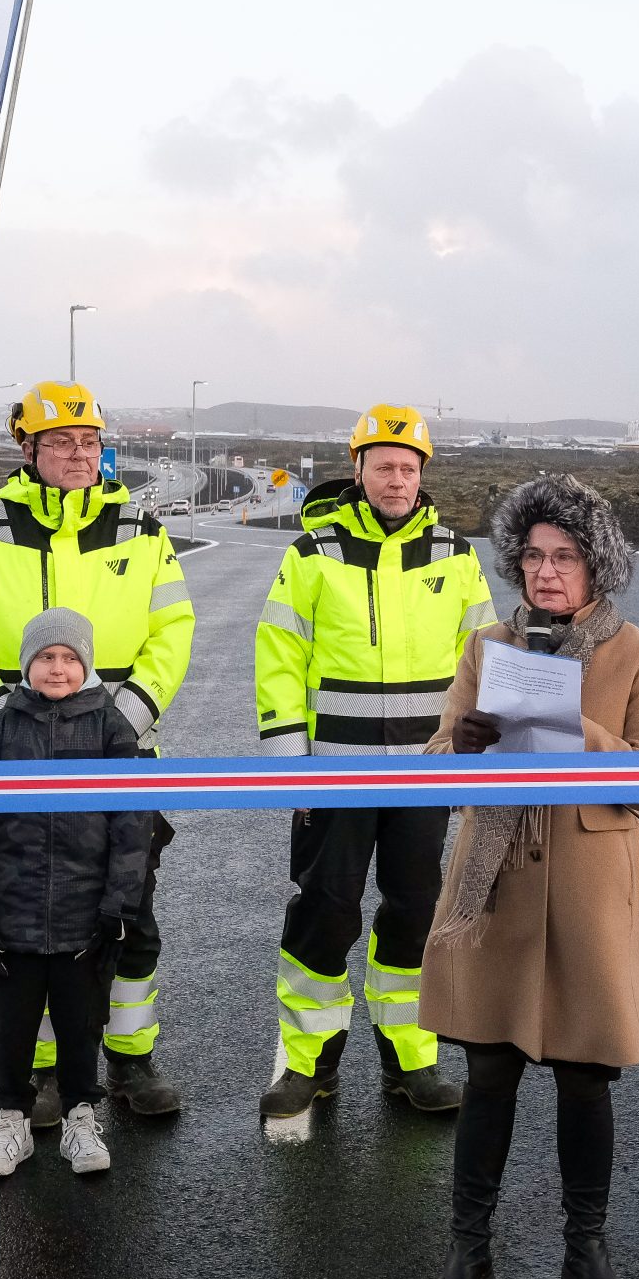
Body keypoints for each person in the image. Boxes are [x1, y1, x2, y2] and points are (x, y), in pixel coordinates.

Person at [418, 474, 639, 1279]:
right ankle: (469, 1248)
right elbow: (437, 760)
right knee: (486, 1070)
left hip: (588, 898)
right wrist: (463, 742)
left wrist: (568, 721)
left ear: (596, 563)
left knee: (584, 1076)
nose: (546, 570)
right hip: (496, 892)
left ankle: (587, 1248)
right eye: (532, 554)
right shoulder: (487, 645)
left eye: (565, 555)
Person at [0, 380, 195, 1124]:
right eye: (61, 442)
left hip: (121, 760)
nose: (79, 456)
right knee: (29, 921)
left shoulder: (140, 529)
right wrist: (1, 729)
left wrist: (124, 722)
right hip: (15, 765)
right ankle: (43, 1071)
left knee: (129, 915)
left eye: (89, 442)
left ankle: (130, 1063)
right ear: (28, 448)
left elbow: (171, 633)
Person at [252, 405, 497, 1118]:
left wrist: (471, 759)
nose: (397, 478)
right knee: (325, 913)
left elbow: (481, 656)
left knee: (415, 916)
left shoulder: (454, 553)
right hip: (335, 772)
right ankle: (308, 1066)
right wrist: (290, 761)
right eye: (384, 464)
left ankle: (413, 1063)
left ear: (422, 474)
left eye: (408, 466)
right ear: (356, 468)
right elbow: (279, 655)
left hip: (425, 772)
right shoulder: (313, 552)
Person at [0, 609, 159, 1179]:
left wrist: (120, 904)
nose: (58, 668)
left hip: (84, 907)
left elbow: (130, 824)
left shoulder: (110, 728)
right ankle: (10, 1119)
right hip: (14, 906)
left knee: (79, 1020)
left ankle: (80, 1114)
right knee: (12, 1020)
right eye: (46, 657)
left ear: (87, 666)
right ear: (26, 664)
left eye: (70, 658)